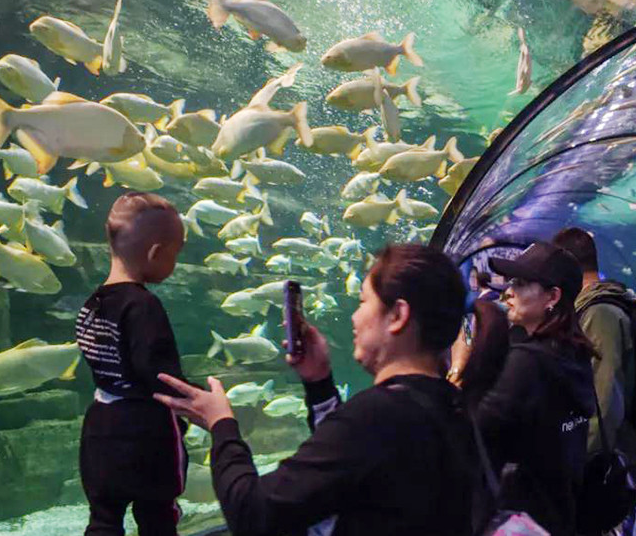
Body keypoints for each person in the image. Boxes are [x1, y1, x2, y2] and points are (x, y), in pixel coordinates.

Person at [155, 244, 476, 536]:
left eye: (363, 301)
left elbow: (252, 514)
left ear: (397, 315)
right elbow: (356, 467)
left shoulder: (375, 416)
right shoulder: (456, 406)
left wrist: (221, 424)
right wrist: (319, 382)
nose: (354, 316)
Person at [450, 242, 596, 535]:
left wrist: (460, 367)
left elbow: (470, 435)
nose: (509, 292)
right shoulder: (574, 354)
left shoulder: (529, 363)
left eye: (521, 283)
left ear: (553, 296)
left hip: (519, 518)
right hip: (558, 513)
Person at [76, 192, 189, 536]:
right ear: (156, 253)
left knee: (104, 519)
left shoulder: (92, 302)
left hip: (99, 428)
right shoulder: (143, 306)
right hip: (145, 433)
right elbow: (158, 373)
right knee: (157, 516)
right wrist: (196, 403)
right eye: (176, 252)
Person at [552, 227, 636, 535]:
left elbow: (605, 400)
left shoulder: (600, 313)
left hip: (611, 458)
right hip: (607, 455)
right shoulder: (594, 307)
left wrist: (578, 456)